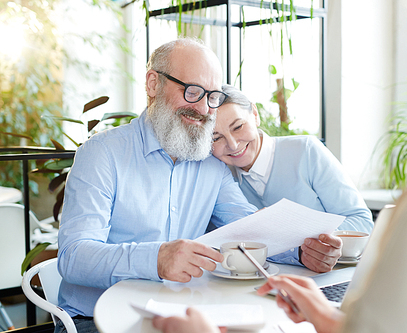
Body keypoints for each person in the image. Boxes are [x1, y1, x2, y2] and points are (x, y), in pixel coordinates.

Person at [153, 0, 407, 331]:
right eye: (215, 138)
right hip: (283, 292)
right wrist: (326, 318)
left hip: (331, 280)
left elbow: (362, 227)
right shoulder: (216, 176)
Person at [55, 38, 258, 333]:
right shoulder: (102, 153)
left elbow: (252, 229)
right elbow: (74, 257)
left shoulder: (211, 164)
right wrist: (156, 259)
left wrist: (303, 250)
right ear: (153, 84)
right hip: (94, 321)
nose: (203, 108)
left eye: (212, 96)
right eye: (192, 91)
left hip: (180, 314)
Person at [211, 84, 373, 272]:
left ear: (254, 114)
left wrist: (310, 242)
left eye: (238, 127)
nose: (232, 144)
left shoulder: (306, 151)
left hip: (333, 277)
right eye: (216, 138)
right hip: (268, 285)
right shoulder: (221, 178)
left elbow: (361, 220)